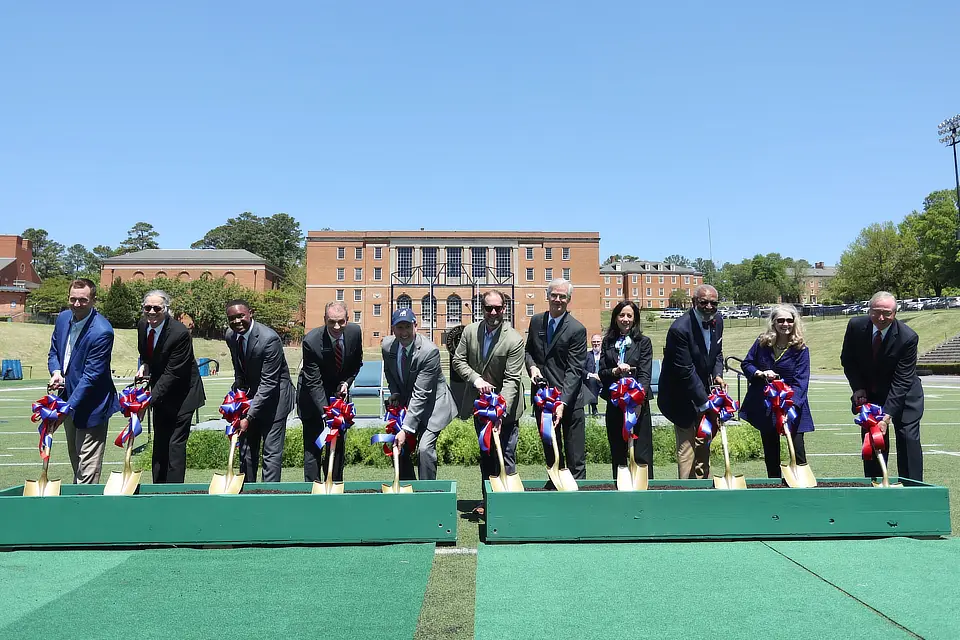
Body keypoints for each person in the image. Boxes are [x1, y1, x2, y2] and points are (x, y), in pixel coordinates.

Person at [452, 289, 525, 513]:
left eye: (497, 308)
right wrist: (475, 380)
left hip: (507, 409)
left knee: (506, 454)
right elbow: (458, 360)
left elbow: (512, 380)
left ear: (504, 309)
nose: (493, 312)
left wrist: (501, 412)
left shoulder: (514, 339)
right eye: (488, 308)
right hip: (480, 406)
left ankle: (509, 504)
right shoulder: (470, 332)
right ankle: (487, 501)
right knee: (486, 454)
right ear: (482, 309)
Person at [840, 291, 924, 481]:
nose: (881, 317)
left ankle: (912, 487)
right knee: (873, 437)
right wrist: (858, 388)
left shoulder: (908, 337)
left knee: (908, 438)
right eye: (876, 311)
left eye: (887, 313)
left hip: (904, 394)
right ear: (869, 310)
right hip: (872, 392)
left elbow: (902, 380)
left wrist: (886, 418)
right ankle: (875, 484)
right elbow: (848, 360)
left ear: (895, 313)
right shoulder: (855, 326)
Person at [46, 278, 120, 484]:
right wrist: (56, 371)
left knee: (87, 470)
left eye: (83, 300)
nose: (76, 304)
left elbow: (91, 377)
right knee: (76, 460)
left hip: (92, 405)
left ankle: (87, 509)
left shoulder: (102, 332)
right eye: (73, 299)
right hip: (67, 398)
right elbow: (54, 351)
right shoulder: (62, 319)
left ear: (93, 300)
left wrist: (66, 409)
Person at [657, 284, 725, 479]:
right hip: (680, 396)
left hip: (702, 391)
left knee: (704, 442)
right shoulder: (679, 329)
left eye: (714, 303)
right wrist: (707, 405)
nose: (709, 307)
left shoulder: (718, 320)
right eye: (704, 302)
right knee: (687, 448)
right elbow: (685, 371)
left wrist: (717, 374)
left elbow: (717, 353)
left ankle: (702, 490)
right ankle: (685, 491)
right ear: (694, 302)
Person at [136, 290, 205, 483]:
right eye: (147, 307)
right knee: (159, 443)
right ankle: (157, 489)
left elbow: (172, 373)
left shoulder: (179, 334)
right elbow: (146, 353)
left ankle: (173, 493)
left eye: (156, 308)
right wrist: (145, 365)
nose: (151, 312)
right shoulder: (143, 325)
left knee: (174, 445)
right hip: (161, 394)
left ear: (166, 309)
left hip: (183, 395)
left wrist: (147, 400)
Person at [738, 304, 813, 478]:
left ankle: (800, 485)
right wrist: (760, 373)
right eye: (780, 320)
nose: (785, 324)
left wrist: (790, 407)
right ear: (773, 322)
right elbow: (747, 363)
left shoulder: (801, 349)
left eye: (789, 320)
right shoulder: (762, 343)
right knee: (771, 453)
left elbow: (801, 382)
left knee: (798, 450)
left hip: (793, 407)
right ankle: (773, 484)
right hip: (767, 405)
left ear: (795, 322)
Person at [381, 308, 457, 480]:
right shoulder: (387, 346)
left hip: (433, 407)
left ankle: (427, 495)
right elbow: (389, 372)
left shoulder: (429, 352)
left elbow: (421, 393)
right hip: (409, 404)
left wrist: (405, 429)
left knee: (424, 449)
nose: (404, 332)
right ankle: (409, 492)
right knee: (398, 444)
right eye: (399, 327)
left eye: (408, 326)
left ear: (415, 326)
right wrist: (395, 392)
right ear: (393, 329)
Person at [224, 299, 295, 483]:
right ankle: (246, 493)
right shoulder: (231, 336)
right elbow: (238, 366)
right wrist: (237, 395)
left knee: (270, 454)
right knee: (246, 451)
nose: (237, 321)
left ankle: (268, 498)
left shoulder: (269, 339)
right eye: (232, 318)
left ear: (250, 313)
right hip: (250, 396)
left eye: (241, 316)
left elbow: (269, 383)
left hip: (275, 399)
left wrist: (248, 417)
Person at [525, 278, 588, 481]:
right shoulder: (536, 321)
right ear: (547, 296)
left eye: (563, 296)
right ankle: (554, 487)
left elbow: (574, 370)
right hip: (543, 399)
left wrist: (562, 401)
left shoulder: (577, 329)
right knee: (550, 450)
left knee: (575, 455)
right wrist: (532, 368)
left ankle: (577, 498)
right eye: (554, 295)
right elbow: (529, 352)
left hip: (569, 400)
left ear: (569, 300)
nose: (558, 300)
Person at [298, 301, 363, 482]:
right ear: (324, 319)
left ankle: (335, 486)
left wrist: (346, 383)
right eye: (331, 321)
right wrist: (328, 414)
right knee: (314, 446)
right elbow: (313, 381)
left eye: (341, 321)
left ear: (347, 320)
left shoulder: (355, 333)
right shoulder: (311, 341)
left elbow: (356, 363)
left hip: (338, 396)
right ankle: (313, 490)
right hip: (312, 397)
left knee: (337, 444)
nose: (336, 326)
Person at [598, 301, 653, 481]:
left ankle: (645, 490)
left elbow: (645, 373)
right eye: (622, 315)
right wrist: (614, 371)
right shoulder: (607, 342)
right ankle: (619, 488)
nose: (625, 319)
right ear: (615, 318)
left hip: (638, 404)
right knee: (618, 451)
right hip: (615, 403)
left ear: (635, 319)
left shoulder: (643, 342)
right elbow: (602, 372)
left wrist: (639, 400)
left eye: (629, 316)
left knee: (641, 451)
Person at [584, 334, 603, 416]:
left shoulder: (606, 354)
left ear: (601, 342)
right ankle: (594, 409)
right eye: (594, 342)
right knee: (592, 380)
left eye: (598, 341)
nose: (596, 343)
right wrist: (591, 375)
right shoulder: (587, 355)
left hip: (605, 379)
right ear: (591, 343)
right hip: (592, 380)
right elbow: (581, 369)